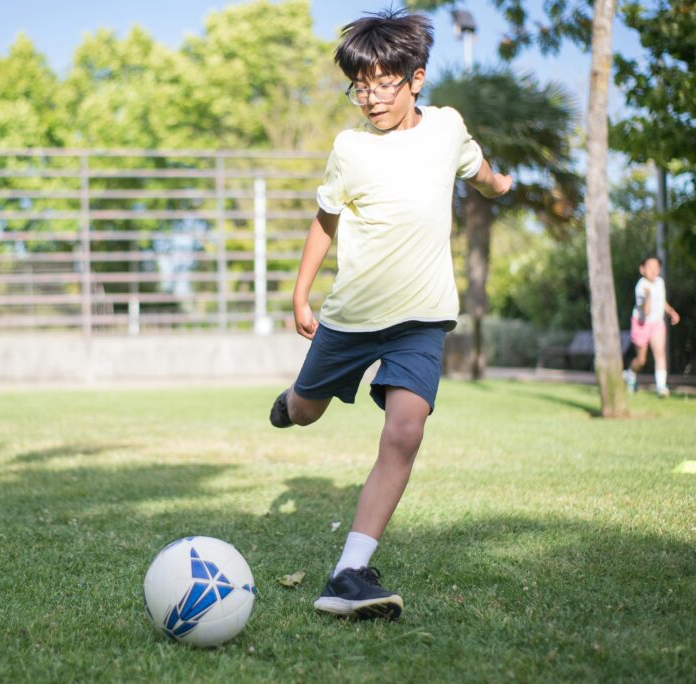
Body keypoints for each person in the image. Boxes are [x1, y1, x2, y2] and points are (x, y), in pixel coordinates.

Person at [268, 8, 511, 620]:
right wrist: (302, 295)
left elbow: (475, 170)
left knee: (405, 431)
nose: (370, 98)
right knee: (306, 410)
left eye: (383, 83)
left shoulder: (447, 128)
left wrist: (499, 184)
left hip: (423, 318)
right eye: (360, 86)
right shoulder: (350, 149)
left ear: (416, 78)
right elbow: (325, 221)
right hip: (350, 318)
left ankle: (350, 570)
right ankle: (295, 399)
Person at [624, 255, 680, 397]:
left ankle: (661, 387)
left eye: (657, 267)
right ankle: (630, 374)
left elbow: (662, 301)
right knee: (641, 360)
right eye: (650, 267)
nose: (654, 270)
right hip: (641, 323)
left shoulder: (660, 282)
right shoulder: (641, 287)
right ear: (642, 269)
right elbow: (646, 311)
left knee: (660, 354)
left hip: (657, 323)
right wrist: (648, 296)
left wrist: (671, 312)